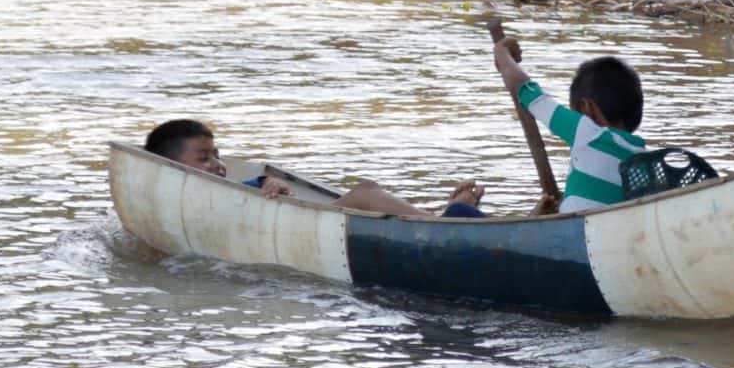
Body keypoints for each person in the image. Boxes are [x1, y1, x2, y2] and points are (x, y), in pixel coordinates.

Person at [144, 119, 486, 219]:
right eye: (203, 158)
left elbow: (263, 180)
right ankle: (448, 219)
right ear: (173, 168)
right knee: (365, 192)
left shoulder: (234, 185)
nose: (217, 164)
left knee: (367, 193)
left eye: (216, 155)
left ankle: (444, 218)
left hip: (305, 221)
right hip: (303, 225)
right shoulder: (187, 199)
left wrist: (274, 182)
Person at [491, 45, 648, 212]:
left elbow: (525, 90)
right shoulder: (644, 159)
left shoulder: (586, 131)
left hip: (580, 232)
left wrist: (501, 52)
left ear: (586, 106)